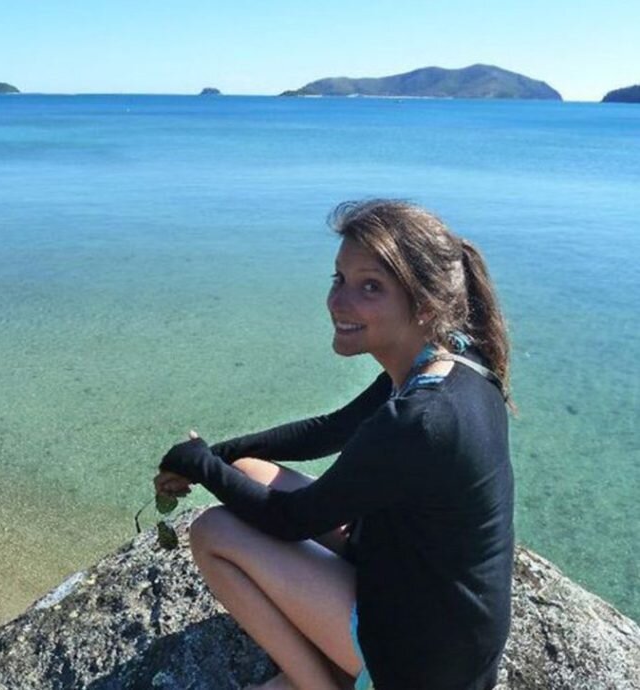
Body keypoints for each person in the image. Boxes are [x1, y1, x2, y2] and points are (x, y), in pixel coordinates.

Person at [155, 199, 515, 690]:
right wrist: (217, 456)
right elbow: (329, 429)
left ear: (426, 304)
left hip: (425, 664)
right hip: (438, 610)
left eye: (371, 287)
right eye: (339, 279)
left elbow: (291, 521)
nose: (338, 302)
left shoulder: (421, 421)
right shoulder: (450, 362)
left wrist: (200, 466)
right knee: (247, 470)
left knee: (212, 531)